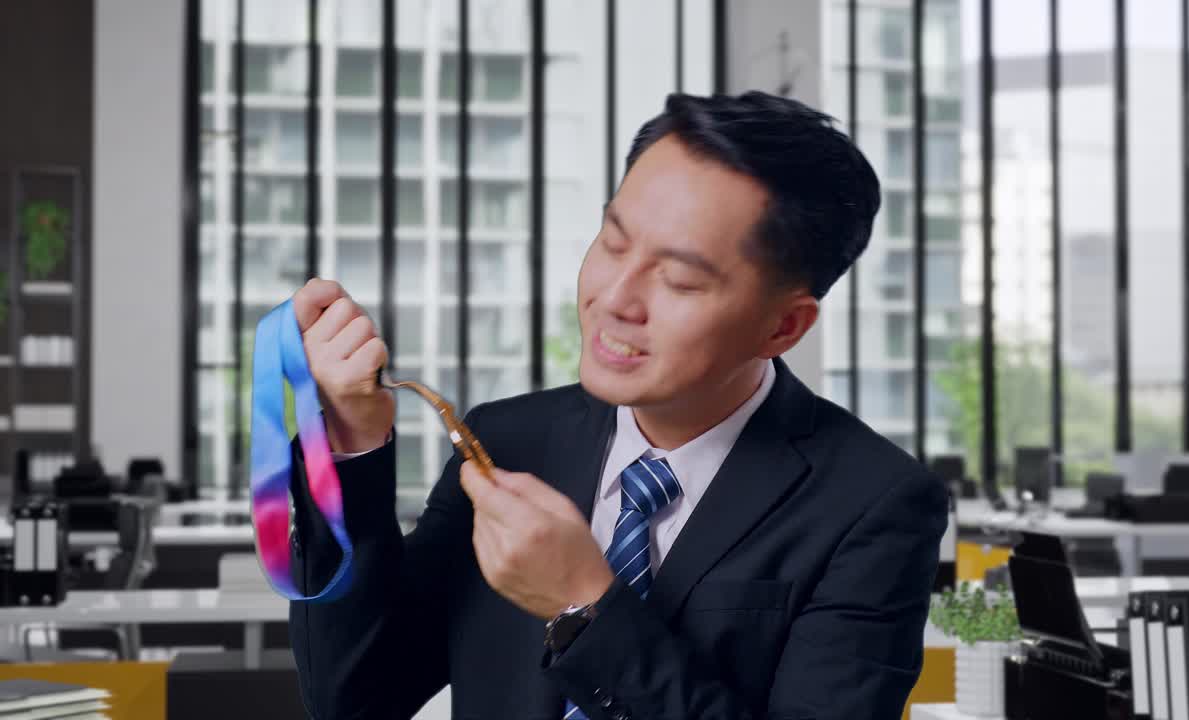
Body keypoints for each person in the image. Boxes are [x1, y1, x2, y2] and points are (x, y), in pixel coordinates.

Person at [286, 91, 947, 720]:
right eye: (612, 241)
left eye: (681, 279)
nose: (615, 298)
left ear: (782, 328)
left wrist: (584, 606)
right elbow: (354, 698)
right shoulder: (510, 440)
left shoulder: (874, 503)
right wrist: (349, 444)